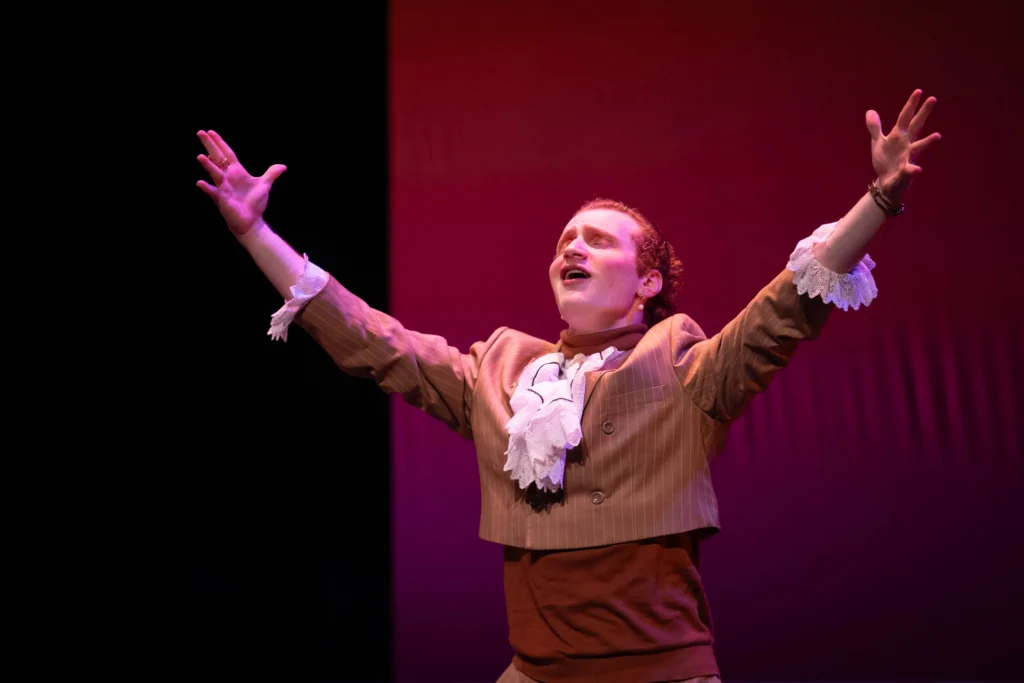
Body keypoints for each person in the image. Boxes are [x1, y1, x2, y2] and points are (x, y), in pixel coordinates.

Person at [195, 89, 940, 682]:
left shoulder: (683, 368)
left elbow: (789, 303)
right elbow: (374, 340)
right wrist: (256, 234)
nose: (571, 246)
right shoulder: (501, 374)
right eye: (563, 242)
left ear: (647, 281)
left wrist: (877, 201)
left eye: (596, 238)